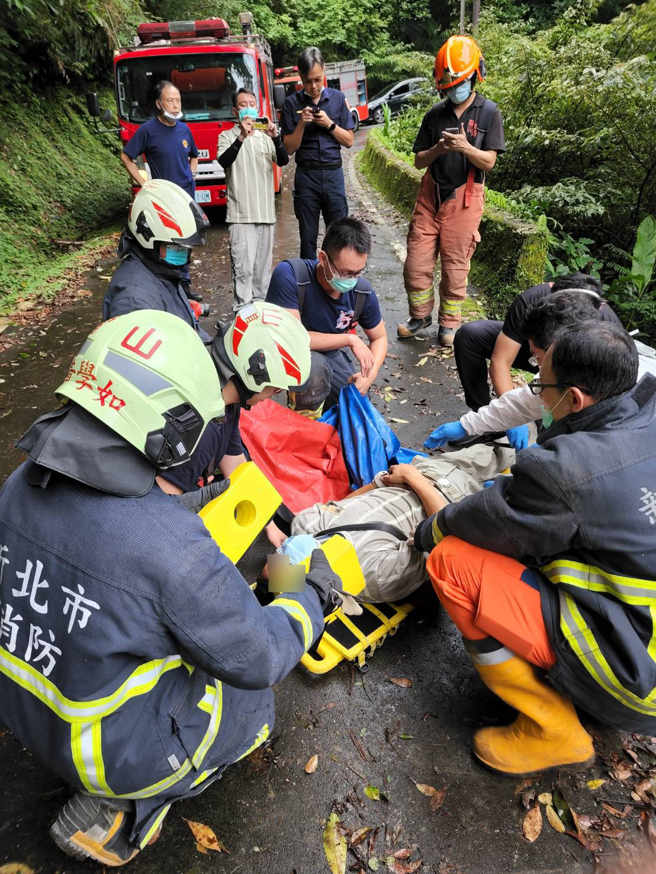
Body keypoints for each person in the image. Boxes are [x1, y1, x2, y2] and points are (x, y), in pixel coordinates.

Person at [0, 311, 344, 866]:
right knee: (253, 709)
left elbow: (105, 538)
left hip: (23, 710)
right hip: (96, 748)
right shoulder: (173, 551)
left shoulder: (18, 484)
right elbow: (257, 656)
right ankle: (123, 810)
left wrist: (195, 509)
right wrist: (314, 592)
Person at [414, 321, 656, 774]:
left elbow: (483, 517)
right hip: (644, 636)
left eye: (541, 384)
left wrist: (428, 530)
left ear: (577, 398)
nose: (536, 395)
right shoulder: (644, 407)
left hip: (635, 672)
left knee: (453, 561)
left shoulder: (570, 471)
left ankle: (553, 729)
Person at [427, 292, 656, 450]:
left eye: (537, 357)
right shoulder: (589, 362)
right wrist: (466, 425)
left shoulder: (633, 417)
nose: (536, 366)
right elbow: (526, 402)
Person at [290, 443, 514, 603]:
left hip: (431, 472)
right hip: (464, 503)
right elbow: (444, 535)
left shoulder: (305, 526)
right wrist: (411, 478)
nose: (286, 547)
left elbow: (346, 503)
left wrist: (383, 481)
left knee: (505, 444)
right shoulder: (377, 577)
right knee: (531, 476)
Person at [399, 35, 504, 347]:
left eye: (457, 82)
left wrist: (464, 147)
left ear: (473, 76)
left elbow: (489, 162)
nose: (452, 89)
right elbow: (419, 160)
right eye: (447, 85)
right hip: (431, 195)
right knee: (416, 262)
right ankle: (420, 317)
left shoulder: (489, 113)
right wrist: (438, 149)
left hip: (466, 199)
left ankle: (449, 324)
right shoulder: (435, 114)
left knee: (455, 267)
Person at [265, 217, 388, 418]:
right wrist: (349, 339)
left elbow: (380, 337)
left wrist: (370, 375)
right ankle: (304, 425)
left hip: (330, 354)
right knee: (314, 370)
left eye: (358, 273)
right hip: (288, 353)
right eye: (346, 273)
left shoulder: (362, 292)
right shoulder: (291, 276)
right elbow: (293, 338)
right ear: (323, 258)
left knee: (355, 406)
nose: (351, 280)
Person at [453, 272, 621, 410]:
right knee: (471, 335)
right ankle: (485, 418)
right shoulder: (534, 301)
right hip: (535, 350)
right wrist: (506, 415)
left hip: (576, 370)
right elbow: (501, 361)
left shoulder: (608, 329)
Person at [120, 80, 201, 301]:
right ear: (159, 103)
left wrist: (192, 173)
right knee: (168, 245)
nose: (175, 105)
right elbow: (126, 157)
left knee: (187, 243)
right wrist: (142, 183)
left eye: (178, 101)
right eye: (170, 101)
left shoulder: (184, 129)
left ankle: (185, 288)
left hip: (187, 197)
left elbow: (194, 155)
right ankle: (169, 289)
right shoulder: (148, 130)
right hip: (165, 200)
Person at [104, 179, 210, 335]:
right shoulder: (134, 304)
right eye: (177, 246)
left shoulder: (160, 269)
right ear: (148, 238)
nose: (184, 254)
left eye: (187, 248)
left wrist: (182, 307)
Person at [218, 88, 289, 312]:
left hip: (265, 214)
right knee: (243, 269)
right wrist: (241, 137)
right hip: (240, 216)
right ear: (234, 110)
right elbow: (224, 160)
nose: (248, 107)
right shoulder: (227, 136)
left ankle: (259, 313)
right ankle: (242, 312)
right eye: (242, 104)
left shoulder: (266, 138)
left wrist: (275, 136)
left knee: (261, 271)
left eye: (251, 103)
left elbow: (284, 160)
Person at [281, 46, 354, 259]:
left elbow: (349, 141)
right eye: (308, 81)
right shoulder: (291, 104)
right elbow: (289, 149)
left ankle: (337, 288)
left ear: (324, 74)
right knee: (308, 240)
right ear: (300, 77)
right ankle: (308, 289)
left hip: (333, 176)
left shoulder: (338, 99)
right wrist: (301, 124)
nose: (314, 86)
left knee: (339, 237)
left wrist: (330, 124)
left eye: (318, 80)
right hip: (307, 178)